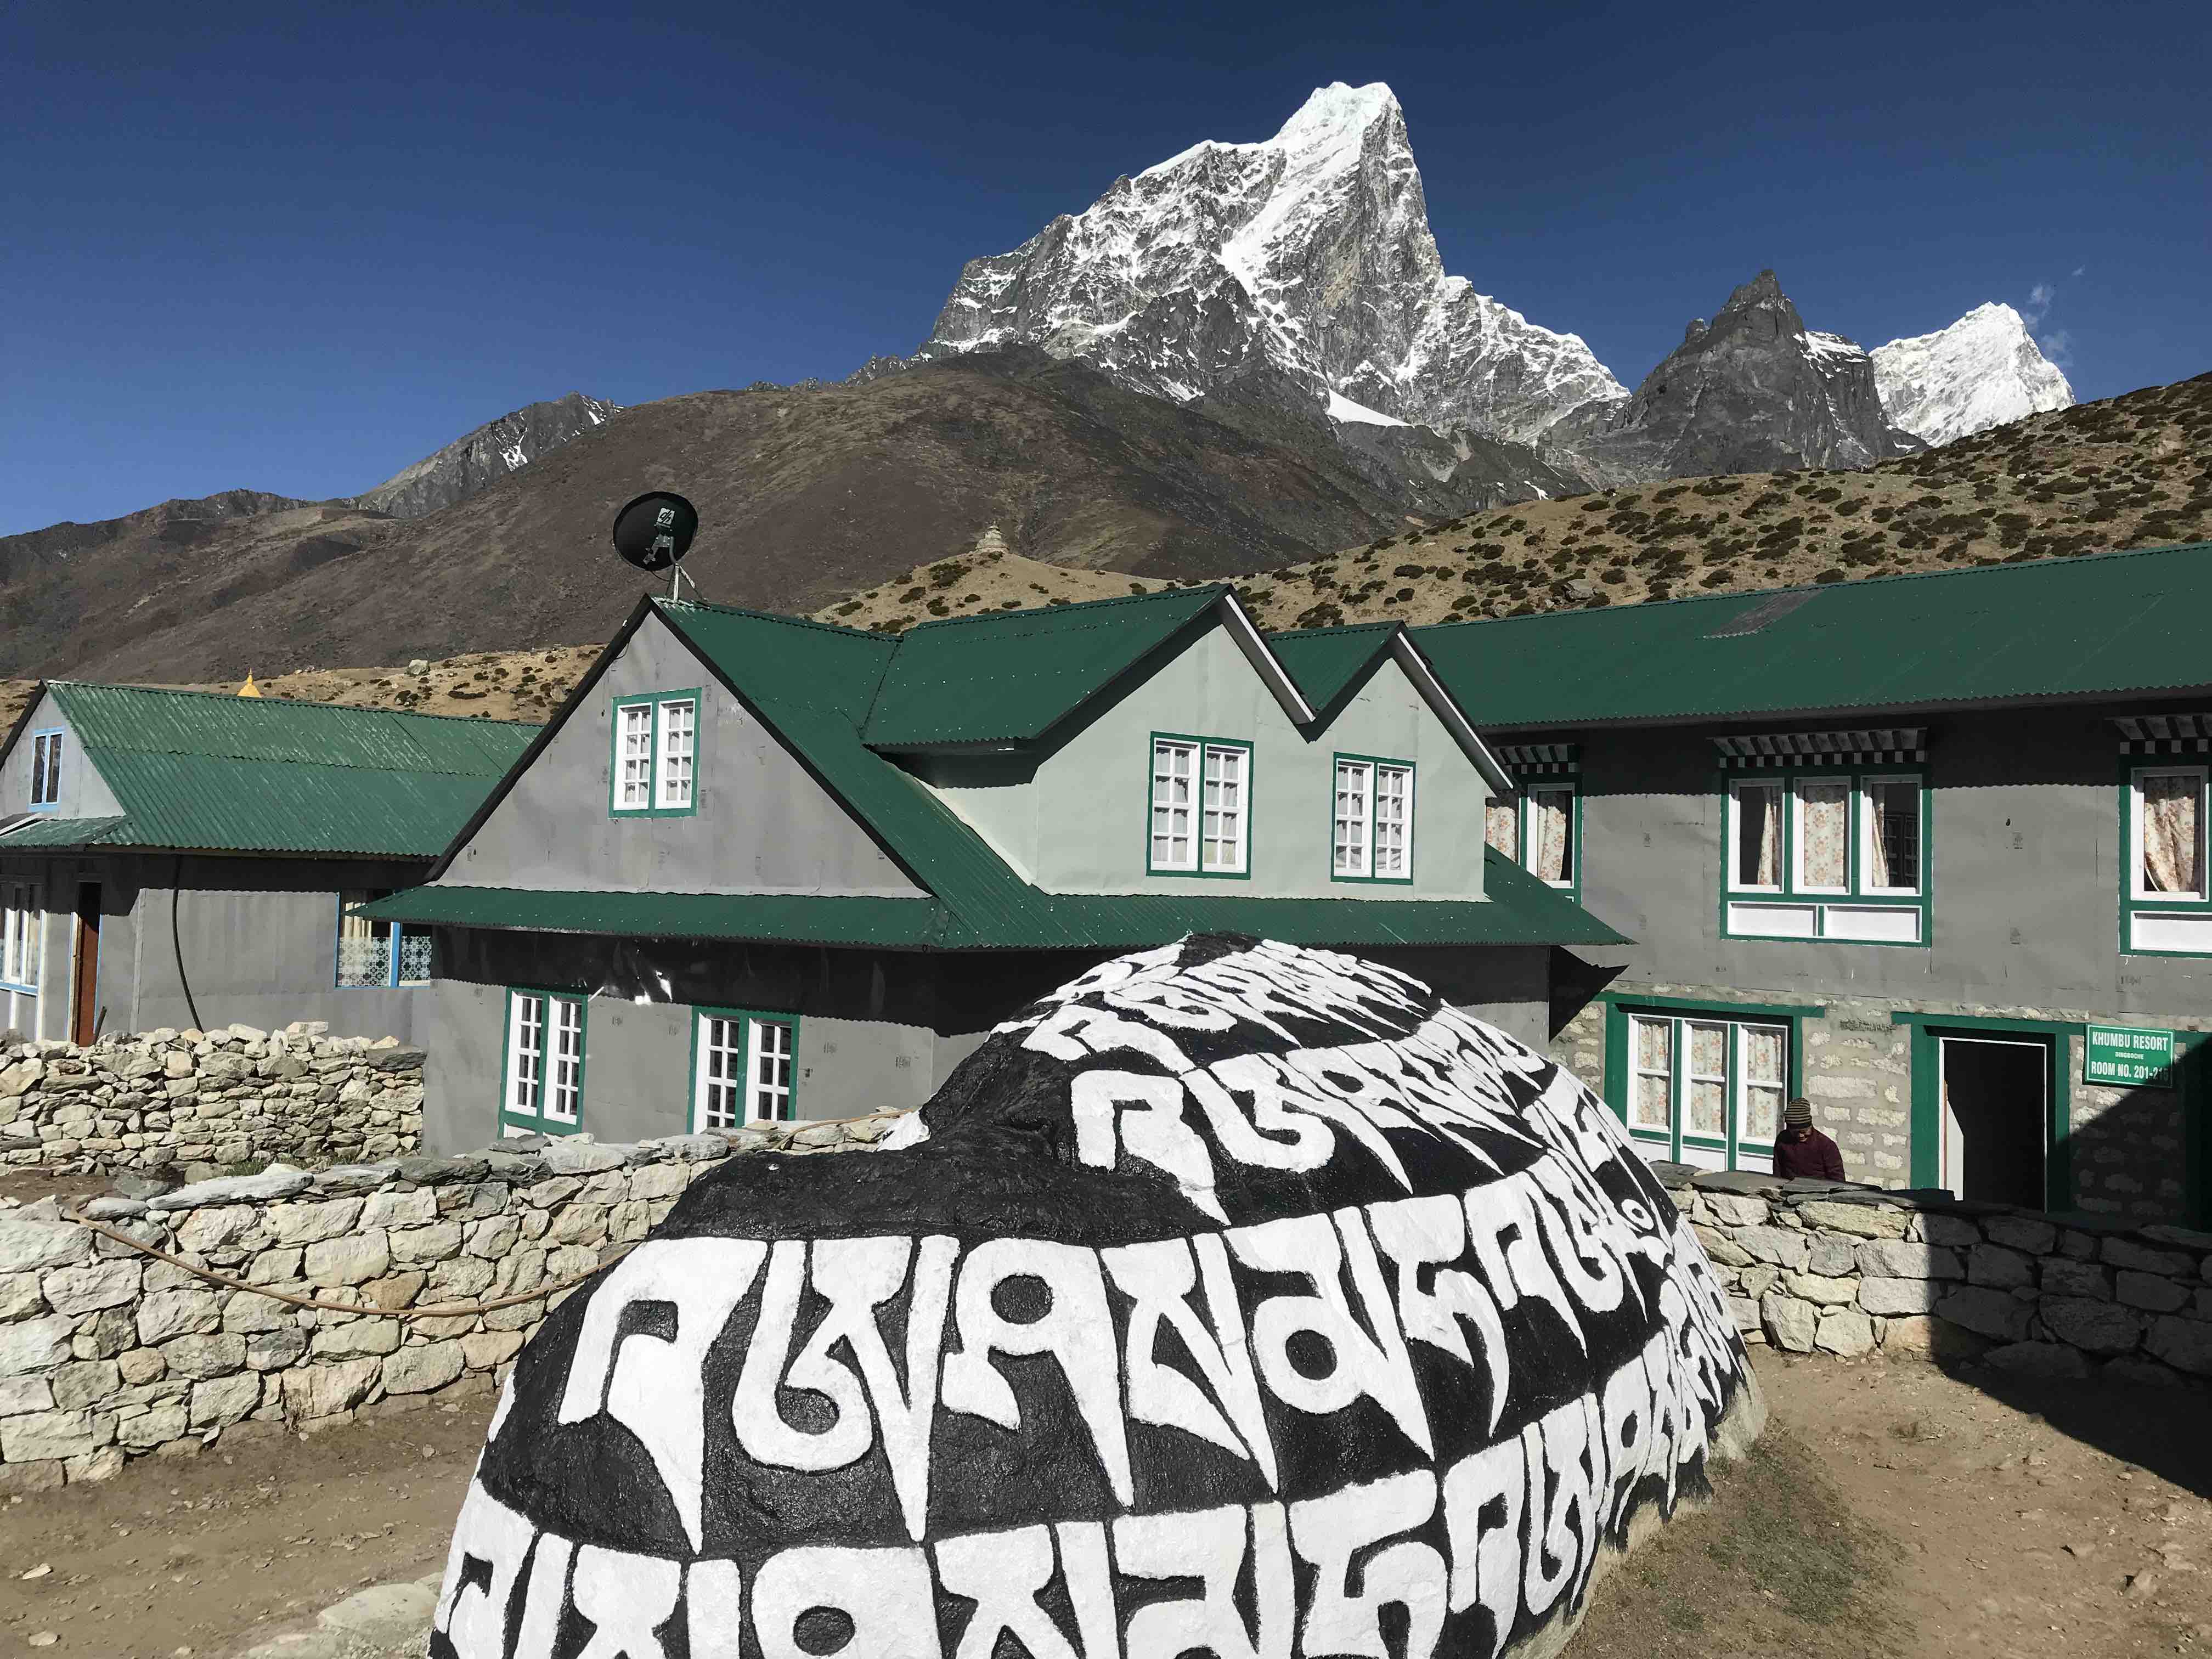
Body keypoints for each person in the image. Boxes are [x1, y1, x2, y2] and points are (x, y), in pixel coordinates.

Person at [1773, 1098, 1847, 1181]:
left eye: (1804, 1131)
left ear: (1810, 1126)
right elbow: (1777, 1171)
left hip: (1818, 1192)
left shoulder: (1826, 1146)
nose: (1801, 1136)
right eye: (1795, 1132)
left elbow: (1838, 1180)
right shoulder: (1783, 1140)